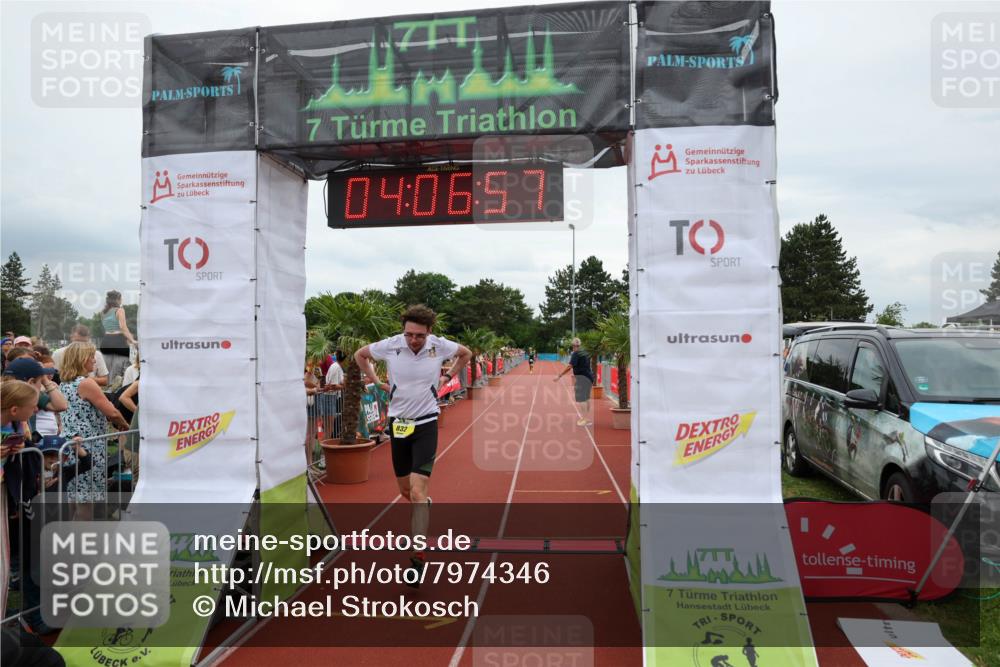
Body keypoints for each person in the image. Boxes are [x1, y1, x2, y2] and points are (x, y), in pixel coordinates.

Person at [354, 305, 472, 586]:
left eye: (419, 335)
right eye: (409, 334)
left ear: (429, 332)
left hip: (427, 423)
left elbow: (466, 353)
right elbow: (361, 354)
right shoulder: (392, 345)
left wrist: (446, 377)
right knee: (405, 490)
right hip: (399, 423)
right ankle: (423, 504)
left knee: (418, 492)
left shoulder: (439, 346)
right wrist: (376, 381)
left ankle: (417, 557)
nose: (413, 340)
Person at [57, 342, 129, 504]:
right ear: (82, 359)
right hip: (89, 447)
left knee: (75, 498)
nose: (94, 361)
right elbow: (112, 412)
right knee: (87, 501)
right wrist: (126, 426)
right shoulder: (86, 383)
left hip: (71, 445)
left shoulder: (64, 383)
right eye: (91, 357)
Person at [3, 357, 67, 442]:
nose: (35, 410)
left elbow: (61, 406)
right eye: (40, 381)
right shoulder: (29, 393)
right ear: (31, 382)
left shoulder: (29, 394)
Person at [99, 290, 137, 387]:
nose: (122, 300)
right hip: (118, 341)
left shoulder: (103, 313)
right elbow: (123, 327)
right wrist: (132, 340)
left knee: (107, 369)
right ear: (117, 299)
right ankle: (117, 390)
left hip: (106, 341)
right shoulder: (120, 310)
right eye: (121, 298)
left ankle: (107, 389)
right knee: (120, 370)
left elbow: (107, 328)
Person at [554, 338, 595, 427]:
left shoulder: (576, 353)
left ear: (573, 346)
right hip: (589, 376)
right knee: (586, 398)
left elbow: (570, 366)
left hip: (582, 378)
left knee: (581, 399)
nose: (573, 347)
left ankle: (584, 419)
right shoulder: (585, 352)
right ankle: (586, 418)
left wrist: (559, 375)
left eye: (573, 346)